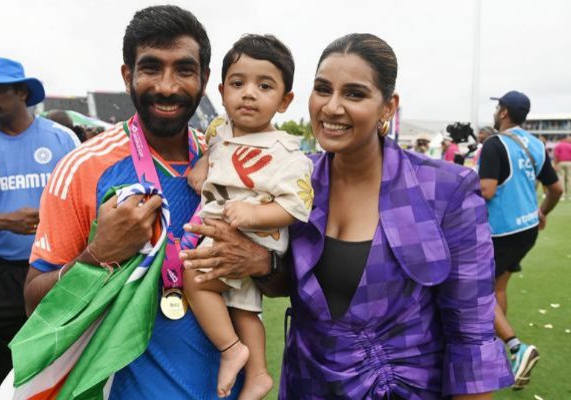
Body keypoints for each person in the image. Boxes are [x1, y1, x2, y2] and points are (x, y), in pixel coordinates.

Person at [182, 33, 514, 399]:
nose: (332, 107)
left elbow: (471, 337)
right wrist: (260, 263)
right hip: (307, 383)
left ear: (388, 107)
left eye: (354, 94)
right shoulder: (296, 179)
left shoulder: (445, 189)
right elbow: (287, 286)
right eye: (323, 89)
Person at [23, 6, 266, 398]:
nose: (167, 87)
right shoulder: (83, 167)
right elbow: (34, 303)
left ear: (205, 80)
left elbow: (278, 279)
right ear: (127, 76)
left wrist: (261, 262)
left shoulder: (227, 164)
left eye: (184, 70)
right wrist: (98, 255)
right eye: (151, 67)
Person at [184, 34, 312, 399]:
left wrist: (254, 214)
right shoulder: (220, 131)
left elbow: (295, 208)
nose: (249, 93)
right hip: (224, 226)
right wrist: (205, 164)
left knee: (195, 278)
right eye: (238, 84)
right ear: (222, 91)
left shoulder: (287, 153)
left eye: (264, 85)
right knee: (243, 310)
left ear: (285, 100)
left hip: (253, 235)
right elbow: (218, 146)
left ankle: (231, 350)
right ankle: (258, 374)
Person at [0, 57, 80, 395]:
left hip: (56, 273)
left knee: (63, 375)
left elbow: (87, 202)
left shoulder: (63, 139)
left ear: (22, 92)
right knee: (3, 381)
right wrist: (4, 221)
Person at [478, 90, 562, 390]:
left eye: (497, 106)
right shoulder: (536, 144)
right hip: (526, 228)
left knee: (476, 293)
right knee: (498, 286)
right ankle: (499, 348)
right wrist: (541, 212)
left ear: (502, 113)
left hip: (500, 230)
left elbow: (486, 190)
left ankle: (516, 347)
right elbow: (556, 189)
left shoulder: (494, 144)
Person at [553, 135, 571, 200]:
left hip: (561, 163)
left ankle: (562, 196)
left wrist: (555, 165)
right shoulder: (570, 145)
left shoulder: (558, 145)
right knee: (569, 179)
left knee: (561, 179)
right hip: (569, 163)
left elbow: (556, 156)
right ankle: (569, 195)